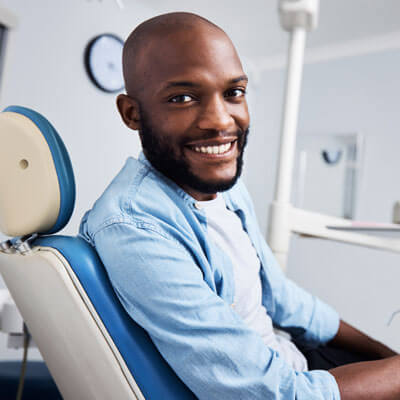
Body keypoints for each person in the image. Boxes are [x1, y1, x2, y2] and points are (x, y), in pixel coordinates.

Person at [79, 12, 400, 400]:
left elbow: (281, 296)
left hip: (300, 363)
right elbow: (272, 394)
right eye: (182, 98)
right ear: (132, 113)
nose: (220, 121)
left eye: (234, 93)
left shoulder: (223, 186)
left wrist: (386, 357)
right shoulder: (134, 228)